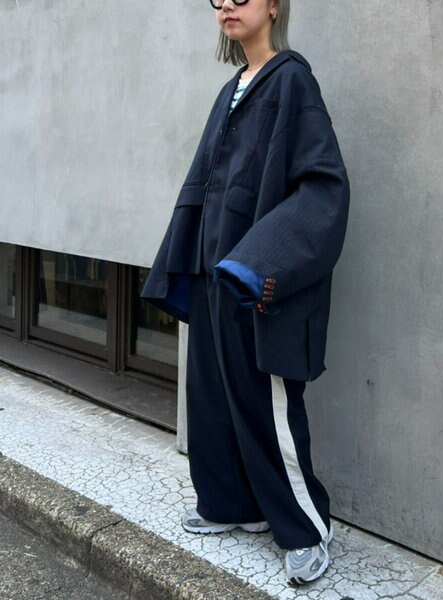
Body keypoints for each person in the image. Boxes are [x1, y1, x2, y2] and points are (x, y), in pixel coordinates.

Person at [140, 0, 350, 586]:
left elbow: (323, 188)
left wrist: (260, 262)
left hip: (255, 281)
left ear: (275, 4)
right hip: (215, 275)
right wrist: (187, 262)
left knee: (268, 406)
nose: (227, 4)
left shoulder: (292, 81)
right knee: (211, 395)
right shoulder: (231, 89)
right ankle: (231, 504)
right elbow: (205, 183)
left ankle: (306, 529)